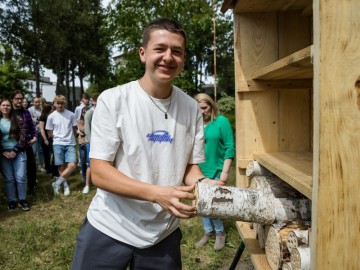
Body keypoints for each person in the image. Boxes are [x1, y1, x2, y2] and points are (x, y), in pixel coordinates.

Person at [71, 18, 223, 270]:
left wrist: (204, 185)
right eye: (160, 49)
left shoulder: (191, 108)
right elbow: (99, 173)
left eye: (176, 51)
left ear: (183, 59)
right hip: (109, 227)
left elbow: (189, 168)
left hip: (162, 234)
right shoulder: (114, 100)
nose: (168, 57)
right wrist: (157, 193)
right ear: (143, 53)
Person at [194, 93, 235, 251]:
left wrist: (225, 172)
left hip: (216, 169)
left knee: (213, 204)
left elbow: (229, 147)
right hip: (198, 170)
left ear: (211, 106)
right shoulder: (195, 124)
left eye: (204, 107)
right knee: (201, 204)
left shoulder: (221, 122)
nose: (202, 112)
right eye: (198, 109)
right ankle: (208, 231)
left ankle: (220, 233)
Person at [0, 99, 30, 211]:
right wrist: (3, 151)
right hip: (3, 153)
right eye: (3, 105)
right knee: (9, 178)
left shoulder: (18, 119)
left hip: (18, 151)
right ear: (0, 107)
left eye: (8, 105)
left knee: (21, 176)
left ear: (11, 107)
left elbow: (23, 135)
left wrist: (15, 150)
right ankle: (12, 200)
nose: (5, 107)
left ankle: (22, 199)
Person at [46, 95, 78, 196]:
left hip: (70, 143)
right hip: (57, 143)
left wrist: (70, 136)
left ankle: (57, 183)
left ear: (65, 103)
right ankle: (65, 186)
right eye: (58, 103)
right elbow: (49, 131)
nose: (59, 105)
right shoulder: (51, 116)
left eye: (61, 103)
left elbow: (74, 128)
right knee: (61, 167)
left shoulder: (71, 115)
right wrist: (55, 138)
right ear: (54, 104)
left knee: (72, 165)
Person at [11, 91, 38, 196]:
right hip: (13, 145)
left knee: (31, 166)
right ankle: (16, 190)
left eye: (21, 98)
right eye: (17, 98)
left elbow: (32, 127)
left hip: (27, 144)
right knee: (16, 170)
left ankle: (32, 187)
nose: (19, 100)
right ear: (12, 99)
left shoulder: (26, 112)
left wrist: (35, 136)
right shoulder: (9, 112)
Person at [82, 93, 99, 194]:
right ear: (93, 101)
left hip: (100, 142)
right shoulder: (89, 113)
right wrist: (91, 141)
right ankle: (87, 185)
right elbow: (87, 129)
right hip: (91, 142)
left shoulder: (102, 112)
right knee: (90, 164)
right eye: (96, 101)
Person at [28, 96, 45, 172]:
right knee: (34, 151)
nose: (37, 103)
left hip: (41, 131)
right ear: (33, 102)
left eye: (38, 102)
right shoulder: (30, 110)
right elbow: (30, 121)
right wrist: (37, 120)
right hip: (33, 133)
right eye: (36, 102)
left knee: (40, 150)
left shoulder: (42, 109)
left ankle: (40, 165)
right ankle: (32, 166)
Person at [39, 104, 54, 175]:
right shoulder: (42, 117)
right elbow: (41, 129)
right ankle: (48, 168)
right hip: (45, 137)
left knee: (53, 153)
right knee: (46, 154)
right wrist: (45, 139)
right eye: (50, 109)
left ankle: (53, 167)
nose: (52, 110)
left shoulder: (51, 116)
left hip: (51, 136)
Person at [76, 106, 89, 183]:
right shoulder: (80, 121)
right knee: (83, 161)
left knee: (89, 162)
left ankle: (90, 177)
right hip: (82, 143)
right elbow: (83, 130)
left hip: (89, 142)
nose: (85, 113)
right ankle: (84, 176)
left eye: (86, 112)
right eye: (84, 112)